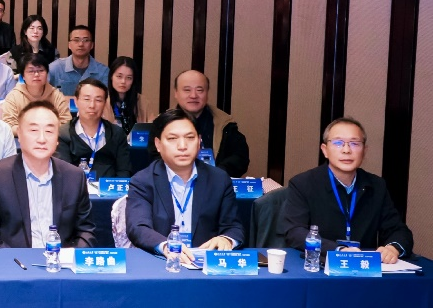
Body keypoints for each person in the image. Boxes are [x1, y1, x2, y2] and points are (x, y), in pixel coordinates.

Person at [280, 118, 414, 263]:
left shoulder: (376, 186)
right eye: (338, 143)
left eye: (355, 143)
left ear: (364, 151)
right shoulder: (303, 183)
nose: (346, 150)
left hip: (363, 268)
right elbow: (294, 232)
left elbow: (398, 230)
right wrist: (339, 250)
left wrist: (393, 248)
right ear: (325, 150)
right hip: (318, 265)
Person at [0, 101, 95, 249]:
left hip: (62, 261)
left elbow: (86, 231)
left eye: (49, 131)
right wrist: (14, 260)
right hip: (14, 261)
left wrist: (70, 256)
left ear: (57, 138)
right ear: (19, 135)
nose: (42, 139)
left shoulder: (75, 177)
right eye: (34, 130)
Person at [126, 109, 244, 262]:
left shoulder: (219, 179)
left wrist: (226, 239)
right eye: (172, 138)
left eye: (190, 138)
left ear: (199, 141)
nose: (182, 146)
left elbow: (234, 227)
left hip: (205, 264)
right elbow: (138, 227)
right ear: (158, 144)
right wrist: (166, 246)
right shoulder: (143, 181)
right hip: (162, 263)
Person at [173, 70, 250, 177]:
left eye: (200, 90)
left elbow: (240, 158)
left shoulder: (225, 123)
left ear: (207, 93)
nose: (193, 95)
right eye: (187, 90)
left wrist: (216, 174)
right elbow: (154, 158)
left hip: (216, 182)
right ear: (176, 93)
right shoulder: (162, 124)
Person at [56, 79, 132, 178]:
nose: (92, 105)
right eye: (87, 99)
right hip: (76, 187)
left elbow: (124, 171)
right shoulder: (63, 134)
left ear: (105, 103)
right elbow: (63, 173)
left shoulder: (117, 134)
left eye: (98, 100)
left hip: (109, 187)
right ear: (76, 101)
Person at [0, 52, 72, 133]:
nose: (37, 74)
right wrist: (32, 131)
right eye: (31, 71)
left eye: (41, 70)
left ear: (47, 74)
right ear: (23, 76)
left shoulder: (56, 95)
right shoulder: (14, 96)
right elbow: (9, 125)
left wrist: (43, 131)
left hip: (51, 138)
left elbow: (66, 123)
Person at [48, 25, 109, 96]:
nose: (81, 44)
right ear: (69, 45)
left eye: (86, 40)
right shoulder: (55, 67)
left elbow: (107, 99)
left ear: (92, 45)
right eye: (76, 40)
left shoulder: (103, 72)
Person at [108, 56, 153, 133]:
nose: (123, 81)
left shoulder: (142, 101)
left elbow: (152, 126)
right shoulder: (102, 100)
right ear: (111, 76)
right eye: (119, 76)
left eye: (129, 78)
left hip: (137, 140)